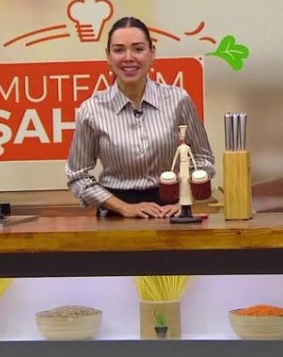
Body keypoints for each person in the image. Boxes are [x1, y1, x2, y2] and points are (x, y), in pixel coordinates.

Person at [65, 16, 215, 218]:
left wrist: (184, 201)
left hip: (170, 214)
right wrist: (123, 207)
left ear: (152, 53)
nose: (128, 57)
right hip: (115, 217)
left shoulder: (178, 100)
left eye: (138, 49)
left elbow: (204, 159)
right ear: (108, 56)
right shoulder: (91, 110)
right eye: (119, 50)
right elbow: (77, 176)